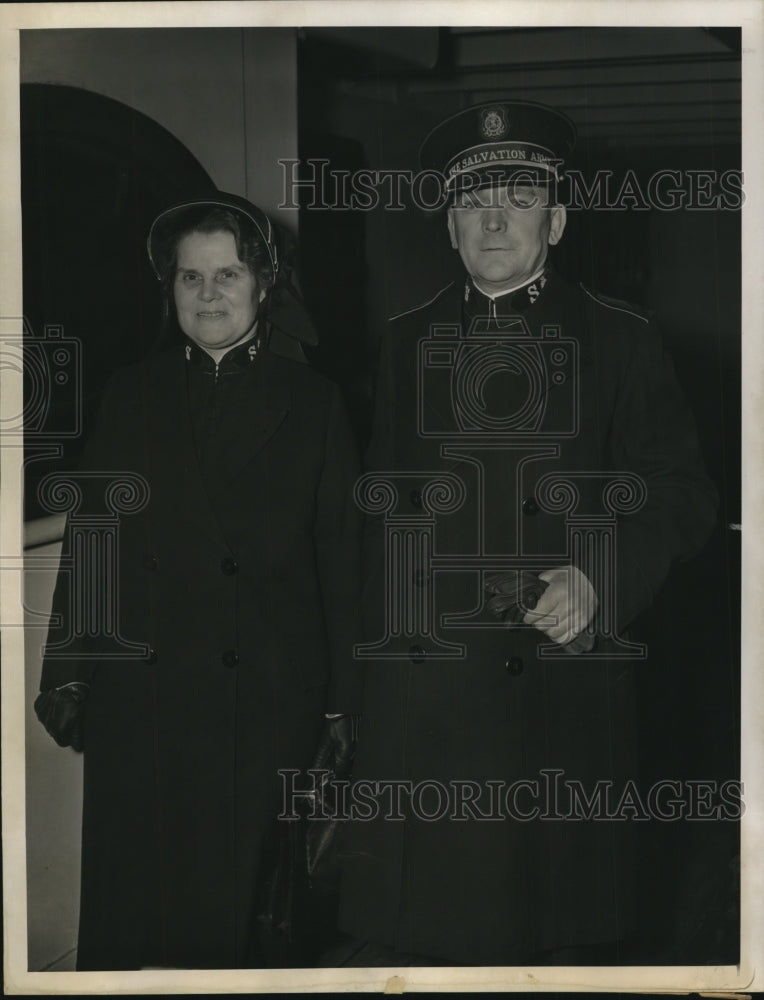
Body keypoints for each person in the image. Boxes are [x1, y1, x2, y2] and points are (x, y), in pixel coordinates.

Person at [337, 101, 719, 965]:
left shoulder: (622, 339)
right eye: (474, 199)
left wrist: (601, 576)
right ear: (449, 223)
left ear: (558, 217)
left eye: (518, 193)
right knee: (428, 948)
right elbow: (381, 520)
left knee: (543, 953)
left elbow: (684, 493)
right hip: (426, 706)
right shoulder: (404, 341)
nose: (496, 216)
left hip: (556, 692)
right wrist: (358, 693)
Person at [34, 192, 362, 970]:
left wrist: (347, 702)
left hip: (263, 703)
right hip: (140, 704)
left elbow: (345, 559)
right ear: (170, 289)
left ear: (263, 284)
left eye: (228, 275)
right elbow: (95, 542)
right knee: (133, 915)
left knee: (236, 926)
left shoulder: (314, 403)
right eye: (190, 279)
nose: (209, 295)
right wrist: (70, 671)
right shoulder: (128, 392)